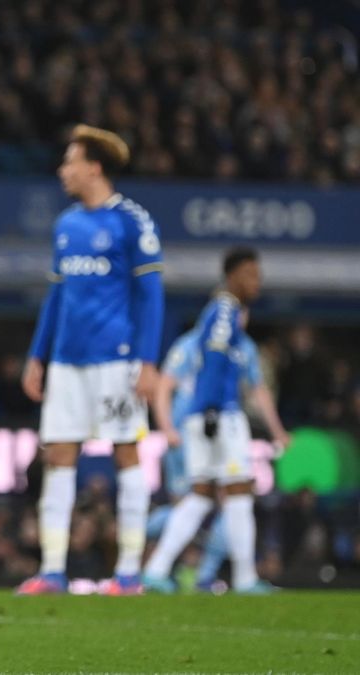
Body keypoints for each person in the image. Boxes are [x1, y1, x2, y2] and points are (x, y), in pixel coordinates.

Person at [17, 125, 165, 596]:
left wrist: (148, 361)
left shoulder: (132, 221)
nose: (63, 170)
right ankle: (52, 571)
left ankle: (128, 574)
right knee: (59, 457)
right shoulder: (66, 225)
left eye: (70, 161)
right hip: (66, 362)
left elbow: (152, 295)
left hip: (117, 362)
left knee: (127, 454)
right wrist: (37, 355)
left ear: (94, 168)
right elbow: (57, 297)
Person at [142, 248, 280, 594]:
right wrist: (213, 409)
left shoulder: (220, 315)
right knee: (239, 492)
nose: (257, 283)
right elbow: (214, 364)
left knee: (201, 496)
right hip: (219, 415)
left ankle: (156, 569)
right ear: (232, 277)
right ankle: (245, 578)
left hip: (201, 417)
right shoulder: (225, 310)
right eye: (250, 275)